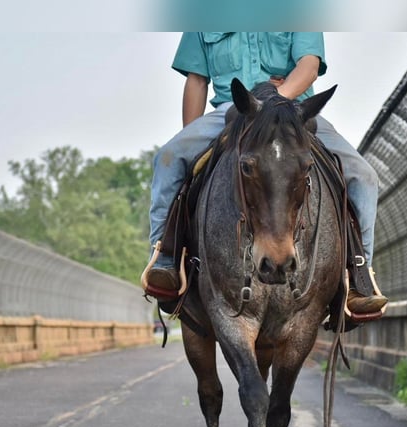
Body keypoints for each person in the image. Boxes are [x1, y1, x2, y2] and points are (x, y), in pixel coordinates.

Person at [142, 32, 387, 316]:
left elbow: (308, 66)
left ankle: (359, 274)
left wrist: (271, 103)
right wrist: (190, 141)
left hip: (293, 110)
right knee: (169, 159)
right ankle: (165, 258)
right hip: (231, 110)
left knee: (363, 175)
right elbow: (196, 80)